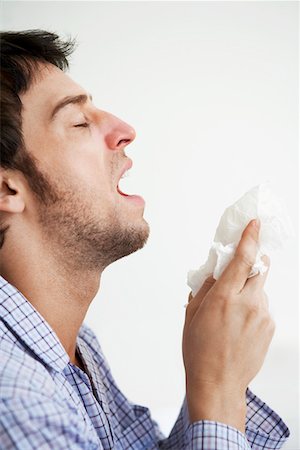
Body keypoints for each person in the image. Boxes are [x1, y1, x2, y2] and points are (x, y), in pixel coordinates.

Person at [0, 30, 289, 450]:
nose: (125, 130)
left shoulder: (75, 349)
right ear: (8, 190)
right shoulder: (16, 404)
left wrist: (216, 362)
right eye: (79, 122)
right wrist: (218, 389)